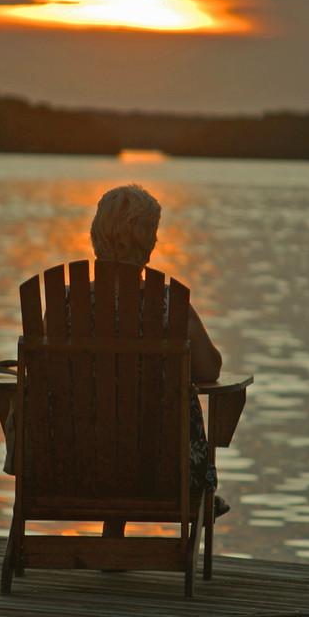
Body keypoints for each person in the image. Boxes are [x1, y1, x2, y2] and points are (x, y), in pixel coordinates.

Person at [90, 184, 230, 527]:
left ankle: (111, 539)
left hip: (74, 463)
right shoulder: (170, 306)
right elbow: (209, 368)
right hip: (165, 469)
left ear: (96, 236)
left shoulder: (63, 305)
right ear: (148, 243)